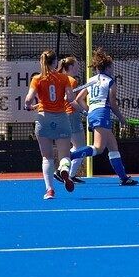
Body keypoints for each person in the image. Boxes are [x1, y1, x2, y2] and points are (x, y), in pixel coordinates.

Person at [69, 48, 138, 186]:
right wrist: (121, 118)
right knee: (99, 148)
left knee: (113, 146)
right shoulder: (110, 81)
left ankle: (123, 178)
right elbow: (112, 103)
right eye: (111, 66)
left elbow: (79, 99)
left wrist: (91, 110)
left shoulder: (92, 80)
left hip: (95, 113)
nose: (113, 69)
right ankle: (69, 156)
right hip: (102, 113)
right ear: (107, 67)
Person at [24, 50, 76, 199]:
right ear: (55, 62)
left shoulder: (37, 79)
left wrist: (28, 105)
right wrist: (65, 96)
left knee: (47, 158)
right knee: (64, 155)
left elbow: (28, 99)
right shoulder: (64, 78)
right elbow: (71, 98)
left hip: (43, 119)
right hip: (61, 118)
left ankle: (50, 190)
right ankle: (64, 169)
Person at [53, 56, 87, 184]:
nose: (78, 68)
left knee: (74, 146)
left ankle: (66, 173)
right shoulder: (71, 80)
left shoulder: (59, 79)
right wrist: (84, 111)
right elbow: (70, 100)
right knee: (81, 148)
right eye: (76, 66)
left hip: (62, 115)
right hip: (71, 115)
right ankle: (64, 172)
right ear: (71, 67)